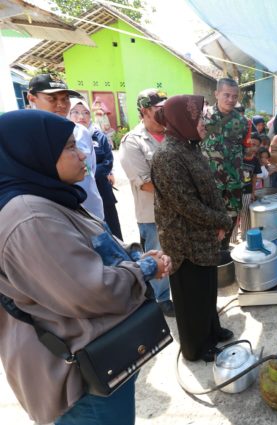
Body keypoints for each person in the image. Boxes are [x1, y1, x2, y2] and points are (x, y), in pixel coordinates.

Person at [0, 110, 171, 425]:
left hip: (96, 358)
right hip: (78, 380)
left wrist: (136, 257)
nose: (81, 153)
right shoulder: (30, 219)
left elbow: (93, 247)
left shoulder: (48, 198)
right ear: (33, 153)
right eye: (67, 147)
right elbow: (91, 290)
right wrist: (144, 269)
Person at [151, 95, 234, 363]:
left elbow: (207, 189)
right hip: (184, 239)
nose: (203, 124)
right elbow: (186, 205)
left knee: (207, 290)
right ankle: (196, 348)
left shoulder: (189, 147)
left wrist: (217, 220)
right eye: (198, 118)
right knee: (191, 297)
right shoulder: (167, 156)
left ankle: (212, 331)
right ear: (183, 121)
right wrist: (220, 220)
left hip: (202, 234)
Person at [120, 88, 174, 316]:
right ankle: (161, 299)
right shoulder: (133, 142)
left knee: (176, 254)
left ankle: (175, 290)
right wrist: (181, 192)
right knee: (157, 255)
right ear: (144, 111)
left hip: (177, 212)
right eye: (159, 110)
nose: (165, 114)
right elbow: (145, 183)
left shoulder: (173, 134)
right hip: (152, 215)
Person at [27, 73, 104, 220]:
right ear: (32, 99)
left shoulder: (81, 131)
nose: (61, 105)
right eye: (52, 99)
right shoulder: (29, 137)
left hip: (92, 211)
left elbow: (90, 168)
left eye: (65, 99)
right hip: (58, 219)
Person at [202, 78, 250, 250]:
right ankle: (210, 252)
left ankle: (223, 250)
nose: (231, 99)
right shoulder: (202, 118)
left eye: (234, 96)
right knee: (208, 219)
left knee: (231, 218)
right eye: (226, 95)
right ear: (216, 94)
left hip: (233, 182)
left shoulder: (242, 122)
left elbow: (244, 148)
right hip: (209, 182)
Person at [68, 98, 122, 239]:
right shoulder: (65, 138)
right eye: (75, 112)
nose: (81, 117)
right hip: (79, 194)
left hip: (102, 190)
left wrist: (90, 172)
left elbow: (108, 160)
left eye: (86, 112)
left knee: (112, 231)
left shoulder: (99, 136)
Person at [235, 135, 262, 241]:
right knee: (234, 215)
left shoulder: (255, 161)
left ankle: (244, 238)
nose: (251, 146)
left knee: (246, 214)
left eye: (255, 145)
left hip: (247, 191)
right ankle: (231, 239)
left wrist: (253, 192)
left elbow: (254, 177)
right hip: (234, 191)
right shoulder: (237, 156)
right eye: (250, 143)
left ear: (257, 148)